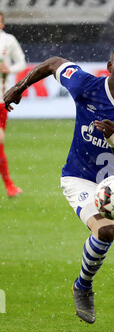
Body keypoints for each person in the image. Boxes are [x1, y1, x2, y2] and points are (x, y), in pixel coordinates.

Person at [4, 38, 114, 332]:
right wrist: (19, 86)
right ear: (109, 66)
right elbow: (52, 63)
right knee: (105, 229)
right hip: (80, 176)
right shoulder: (85, 85)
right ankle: (83, 286)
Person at [0, 12, 26, 197]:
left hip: (1, 100)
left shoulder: (8, 40)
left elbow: (21, 63)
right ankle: (9, 185)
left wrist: (9, 69)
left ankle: (9, 185)